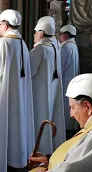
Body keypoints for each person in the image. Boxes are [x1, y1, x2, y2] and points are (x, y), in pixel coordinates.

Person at [29, 73, 92, 172]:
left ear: (87, 106)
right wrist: (51, 161)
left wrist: (42, 169)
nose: (71, 114)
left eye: (72, 108)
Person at [0, 9, 35, 172]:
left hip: (4, 93)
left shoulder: (4, 43)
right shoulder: (22, 43)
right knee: (16, 124)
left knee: (2, 124)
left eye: (0, 24)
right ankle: (16, 157)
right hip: (19, 95)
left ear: (6, 25)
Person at [30, 21, 66, 155]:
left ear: (41, 34)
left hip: (38, 92)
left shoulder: (39, 49)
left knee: (39, 117)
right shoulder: (54, 48)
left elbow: (29, 71)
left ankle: (40, 148)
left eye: (35, 32)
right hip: (50, 90)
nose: (34, 35)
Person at [59, 24, 80, 130]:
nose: (60, 37)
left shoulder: (66, 47)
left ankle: (66, 128)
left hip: (65, 80)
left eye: (61, 34)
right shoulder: (73, 45)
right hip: (71, 80)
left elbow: (60, 66)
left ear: (66, 35)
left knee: (64, 106)